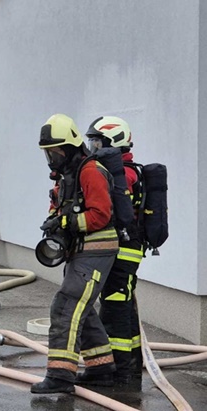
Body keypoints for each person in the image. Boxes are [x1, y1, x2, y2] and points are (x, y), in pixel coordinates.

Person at [30, 114, 119, 394]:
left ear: (69, 148)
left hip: (96, 249)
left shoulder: (89, 171)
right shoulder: (67, 175)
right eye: (48, 153)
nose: (51, 158)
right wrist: (54, 219)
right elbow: (62, 207)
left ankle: (60, 376)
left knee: (66, 306)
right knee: (84, 311)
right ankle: (101, 368)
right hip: (80, 252)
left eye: (55, 152)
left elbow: (101, 214)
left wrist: (66, 222)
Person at [86, 116, 143, 385]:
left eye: (97, 142)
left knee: (115, 307)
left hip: (124, 250)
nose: (93, 148)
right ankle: (130, 366)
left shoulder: (124, 174)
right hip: (128, 248)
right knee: (124, 305)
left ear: (114, 142)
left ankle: (120, 370)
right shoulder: (129, 170)